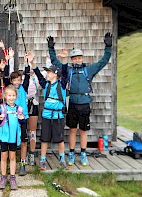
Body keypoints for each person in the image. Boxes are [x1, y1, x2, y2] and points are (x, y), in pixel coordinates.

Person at [47, 33, 112, 166]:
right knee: (72, 130)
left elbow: (103, 61)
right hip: (72, 105)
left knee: (83, 130)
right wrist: (51, 48)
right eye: (75, 58)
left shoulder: (89, 70)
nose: (77, 60)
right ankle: (71, 153)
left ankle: (83, 153)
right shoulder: (68, 71)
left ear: (82, 59)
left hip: (85, 104)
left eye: (79, 58)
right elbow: (55, 62)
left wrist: (108, 46)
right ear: (72, 59)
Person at [28, 51, 68, 170]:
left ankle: (61, 159)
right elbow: (38, 74)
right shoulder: (46, 85)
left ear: (55, 74)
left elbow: (65, 73)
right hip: (46, 115)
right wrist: (32, 62)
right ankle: (43, 160)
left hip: (58, 116)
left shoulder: (62, 84)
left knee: (60, 139)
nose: (47, 74)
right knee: (44, 139)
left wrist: (65, 60)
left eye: (49, 72)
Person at [3, 52, 30, 176]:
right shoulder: (9, 88)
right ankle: (8, 163)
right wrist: (8, 61)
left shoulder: (23, 87)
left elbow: (28, 77)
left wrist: (27, 63)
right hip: (10, 118)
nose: (17, 82)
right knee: (10, 140)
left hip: (22, 117)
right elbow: (5, 77)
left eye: (18, 80)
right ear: (12, 81)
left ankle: (23, 163)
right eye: (14, 80)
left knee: (24, 141)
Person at [0, 85, 27, 190]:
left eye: (13, 95)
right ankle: (3, 177)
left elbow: (23, 123)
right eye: (9, 95)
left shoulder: (19, 109)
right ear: (5, 96)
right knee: (3, 157)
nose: (11, 97)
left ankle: (12, 177)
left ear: (16, 96)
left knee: (12, 157)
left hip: (13, 137)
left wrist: (22, 119)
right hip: (4, 137)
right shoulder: (2, 108)